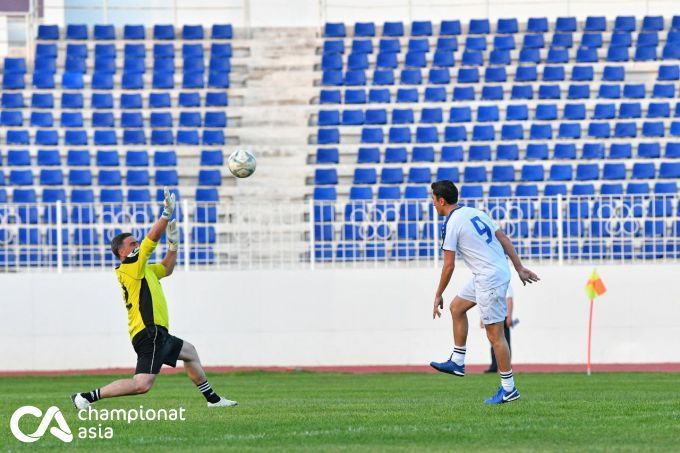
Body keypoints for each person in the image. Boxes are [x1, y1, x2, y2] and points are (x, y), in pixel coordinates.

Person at [71, 188, 237, 409]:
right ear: (121, 252)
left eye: (135, 242)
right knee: (142, 384)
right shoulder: (129, 267)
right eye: (132, 244)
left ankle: (213, 400)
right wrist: (165, 215)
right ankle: (86, 397)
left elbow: (166, 269)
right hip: (148, 332)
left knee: (190, 352)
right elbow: (150, 242)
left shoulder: (144, 269)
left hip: (157, 331)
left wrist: (173, 246)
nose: (137, 245)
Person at [428, 181, 539, 405]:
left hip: (489, 278)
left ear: (441, 200)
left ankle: (509, 389)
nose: (432, 204)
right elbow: (504, 238)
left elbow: (448, 266)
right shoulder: (474, 212)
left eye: (433, 199)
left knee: (495, 335)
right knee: (457, 307)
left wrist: (438, 293)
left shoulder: (451, 223)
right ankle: (458, 361)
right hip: (490, 273)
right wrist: (518, 268)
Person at [484, 284, 514, 373]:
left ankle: (507, 367)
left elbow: (509, 300)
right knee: (493, 342)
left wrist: (509, 316)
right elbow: (486, 302)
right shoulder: (490, 285)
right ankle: (494, 366)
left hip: (503, 316)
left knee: (505, 342)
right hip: (492, 316)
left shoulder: (506, 284)